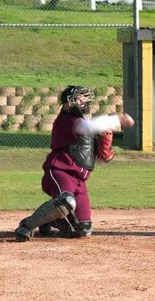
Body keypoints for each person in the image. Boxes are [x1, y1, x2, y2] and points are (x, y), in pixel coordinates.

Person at [15, 85, 135, 241]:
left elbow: (96, 157)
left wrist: (105, 148)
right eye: (79, 99)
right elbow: (88, 126)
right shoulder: (67, 120)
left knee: (83, 229)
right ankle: (26, 226)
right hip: (60, 171)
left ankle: (53, 219)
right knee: (66, 201)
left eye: (85, 99)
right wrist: (117, 119)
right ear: (67, 103)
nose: (83, 102)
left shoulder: (81, 124)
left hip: (80, 181)